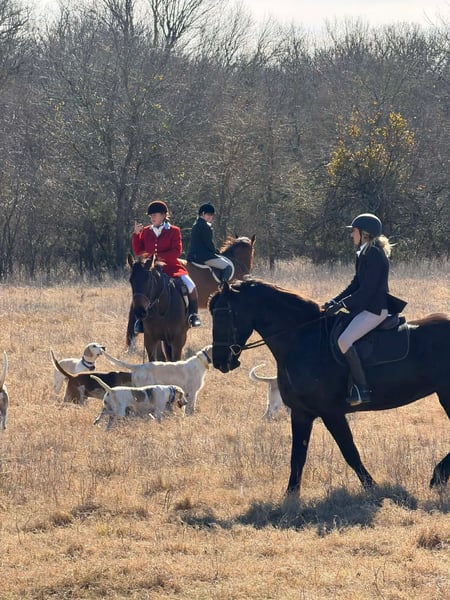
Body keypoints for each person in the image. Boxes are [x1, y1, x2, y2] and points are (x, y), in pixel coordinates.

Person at [323, 213, 406, 406]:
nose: (351, 235)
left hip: (375, 310)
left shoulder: (374, 255)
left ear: (365, 234)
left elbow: (367, 290)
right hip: (365, 308)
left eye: (354, 231)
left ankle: (362, 390)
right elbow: (355, 284)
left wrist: (342, 305)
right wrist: (334, 300)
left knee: (344, 340)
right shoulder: (364, 253)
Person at [132, 200, 201, 329]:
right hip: (152, 270)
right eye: (151, 216)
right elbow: (138, 252)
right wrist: (136, 235)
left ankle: (193, 315)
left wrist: (157, 258)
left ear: (163, 215)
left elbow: (177, 251)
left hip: (172, 268)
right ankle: (140, 320)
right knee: (140, 289)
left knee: (191, 285)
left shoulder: (174, 230)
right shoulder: (145, 231)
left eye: (155, 215)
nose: (152, 218)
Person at [187, 203, 233, 282]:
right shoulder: (205, 226)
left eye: (212, 215)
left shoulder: (195, 225)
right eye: (209, 214)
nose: (211, 217)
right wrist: (215, 251)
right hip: (204, 256)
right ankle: (223, 286)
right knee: (228, 267)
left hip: (192, 255)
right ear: (203, 213)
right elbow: (209, 244)